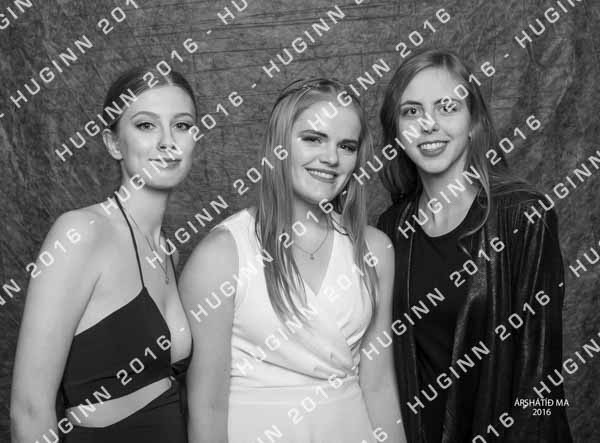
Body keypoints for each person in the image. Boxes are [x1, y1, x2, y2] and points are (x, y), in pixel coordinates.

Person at [180, 78, 406, 443]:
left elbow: (379, 386)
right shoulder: (222, 254)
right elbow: (207, 406)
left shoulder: (375, 249)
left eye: (346, 146)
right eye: (313, 139)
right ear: (279, 144)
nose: (331, 158)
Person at [377, 48, 573, 442]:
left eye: (447, 107)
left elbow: (540, 376)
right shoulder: (391, 227)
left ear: (473, 122)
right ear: (397, 131)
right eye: (412, 111)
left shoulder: (524, 216)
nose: (428, 124)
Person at [10, 67, 196, 443]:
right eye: (146, 125)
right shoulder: (81, 234)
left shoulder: (167, 251)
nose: (168, 141)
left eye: (181, 125)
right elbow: (29, 409)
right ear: (113, 144)